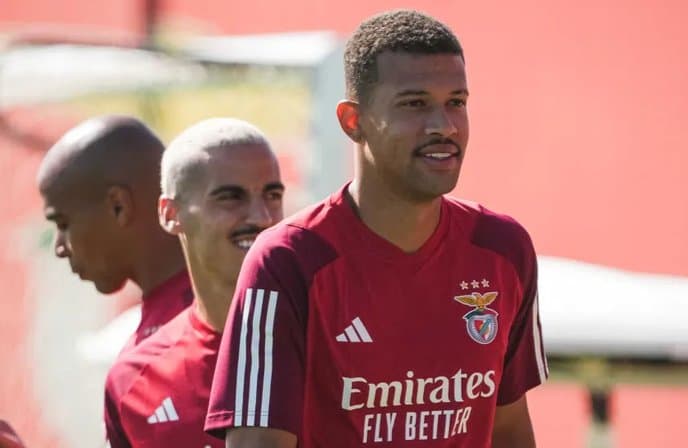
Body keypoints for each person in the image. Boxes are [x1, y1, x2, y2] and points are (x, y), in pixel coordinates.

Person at [205, 9, 548, 448]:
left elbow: (509, 429)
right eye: (415, 103)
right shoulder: (287, 261)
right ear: (353, 121)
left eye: (456, 102)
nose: (443, 125)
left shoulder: (503, 249)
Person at [103, 118, 285, 447]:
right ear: (171, 214)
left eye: (272, 195)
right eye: (231, 197)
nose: (262, 217)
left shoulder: (333, 341)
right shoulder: (134, 379)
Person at [36, 115, 192, 351]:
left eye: (64, 223)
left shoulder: (192, 338)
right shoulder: (229, 305)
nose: (59, 248)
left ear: (118, 206)